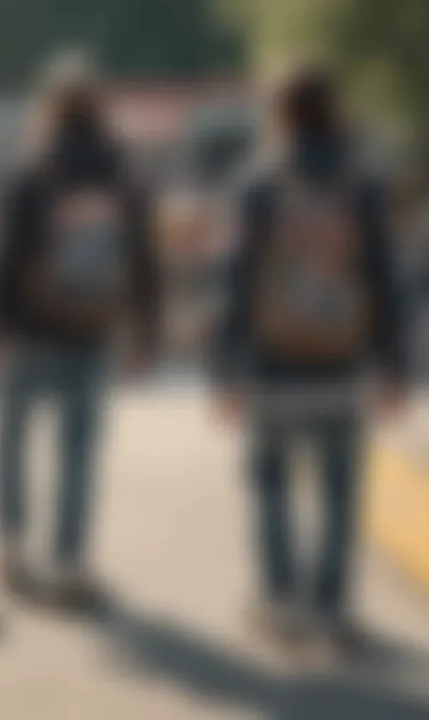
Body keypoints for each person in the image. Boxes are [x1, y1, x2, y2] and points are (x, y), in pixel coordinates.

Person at [215, 67, 406, 657]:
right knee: (340, 493)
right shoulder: (364, 184)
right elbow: (385, 282)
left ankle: (281, 603)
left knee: (271, 486)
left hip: (275, 367)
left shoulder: (259, 183)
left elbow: (236, 283)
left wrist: (225, 368)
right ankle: (331, 609)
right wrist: (394, 366)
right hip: (343, 367)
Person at [0, 55, 160, 608]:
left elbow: (7, 254)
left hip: (33, 330)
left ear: (49, 110)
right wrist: (144, 331)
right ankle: (69, 562)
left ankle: (12, 544)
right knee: (78, 452)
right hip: (92, 330)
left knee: (13, 439)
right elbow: (144, 259)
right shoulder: (122, 174)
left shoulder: (34, 170)